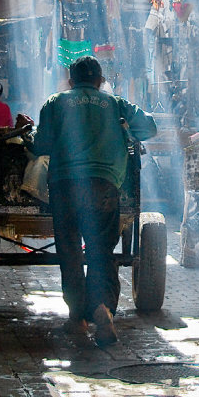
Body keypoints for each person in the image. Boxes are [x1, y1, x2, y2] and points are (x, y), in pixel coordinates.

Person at [20, 56, 156, 347]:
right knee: (101, 250)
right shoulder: (116, 103)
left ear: (71, 81)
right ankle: (103, 308)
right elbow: (149, 128)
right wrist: (126, 130)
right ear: (100, 81)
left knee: (69, 251)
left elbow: (41, 145)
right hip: (104, 185)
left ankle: (77, 319)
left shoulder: (55, 102)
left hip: (64, 185)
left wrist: (27, 132)